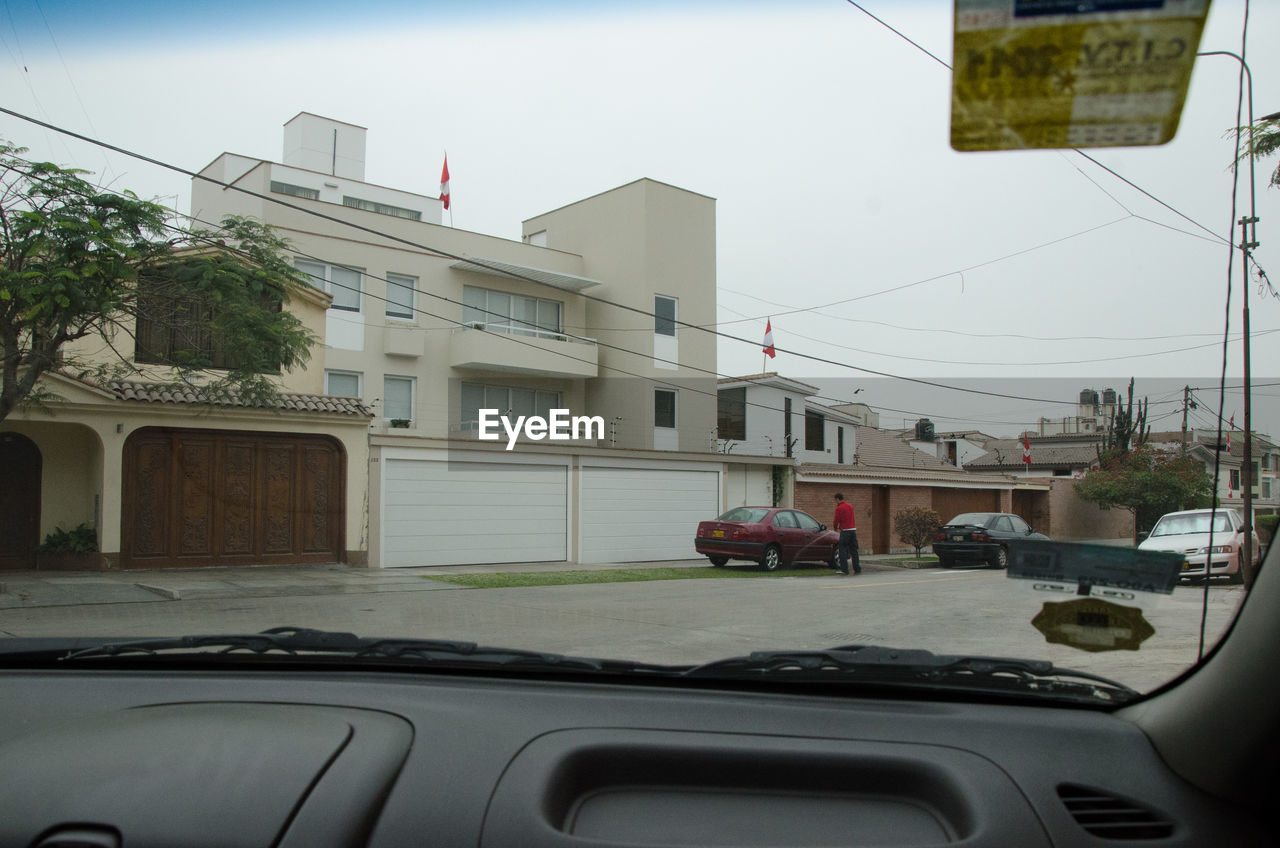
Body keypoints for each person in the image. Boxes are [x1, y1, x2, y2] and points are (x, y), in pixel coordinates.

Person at [832, 493, 861, 575]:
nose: (835, 502)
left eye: (835, 500)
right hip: (853, 530)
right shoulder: (850, 506)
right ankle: (857, 569)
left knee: (842, 550)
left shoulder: (839, 508)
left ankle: (844, 570)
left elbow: (836, 520)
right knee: (854, 551)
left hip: (845, 531)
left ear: (837, 499)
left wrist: (835, 528)